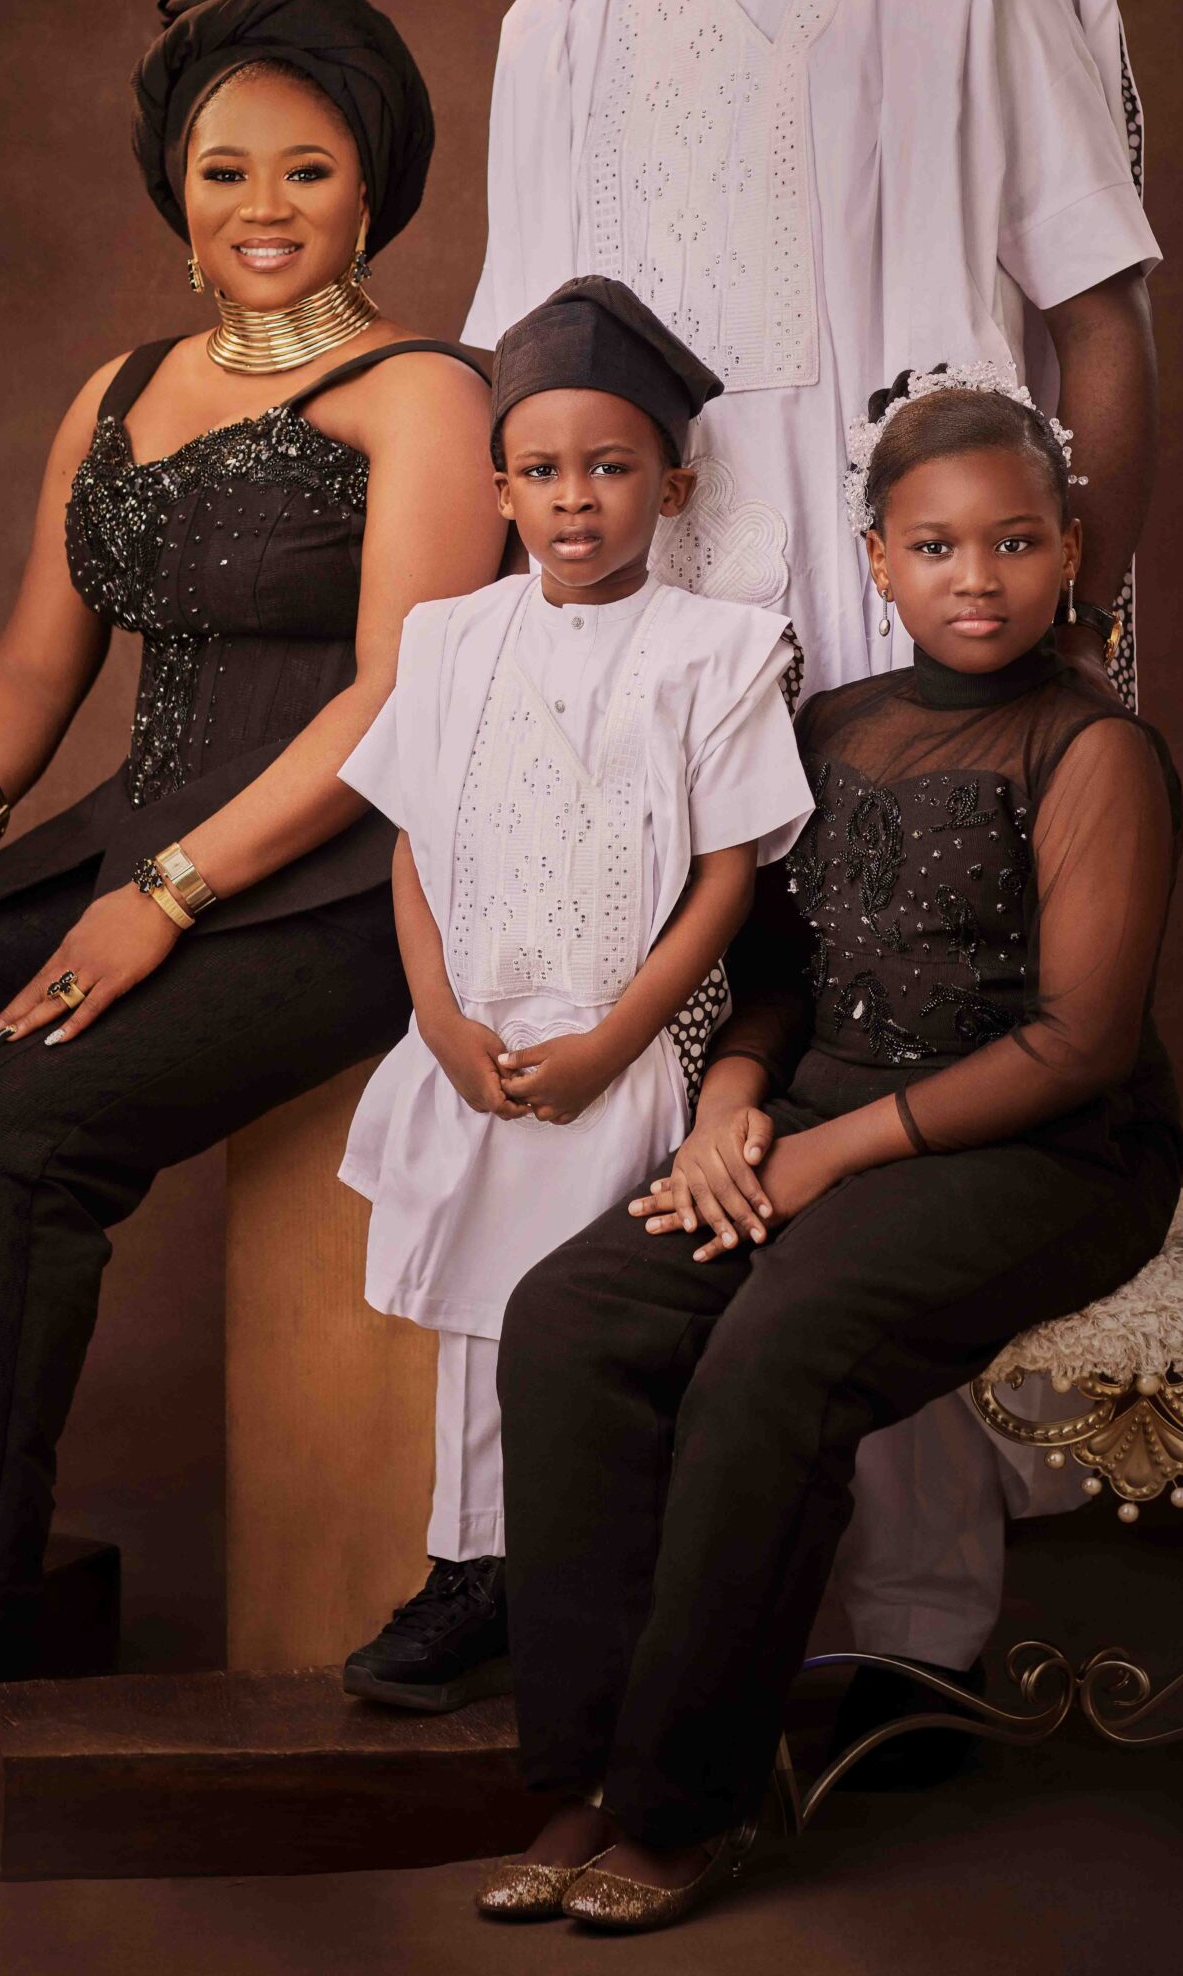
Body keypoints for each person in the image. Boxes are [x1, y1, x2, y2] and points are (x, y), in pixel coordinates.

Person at [462, 0, 1163, 1705]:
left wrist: (1068, 632)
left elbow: (1100, 321)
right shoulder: (565, 34)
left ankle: (906, 1626)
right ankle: (593, 1586)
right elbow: (521, 381)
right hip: (658, 614)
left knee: (900, 1048)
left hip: (908, 602)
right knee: (648, 1065)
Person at [0, 0, 504, 1833]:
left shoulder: (426, 394)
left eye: (308, 170)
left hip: (342, 879)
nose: (264, 208)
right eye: (223, 171)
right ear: (174, 193)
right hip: (131, 844)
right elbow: (39, 660)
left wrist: (166, 894)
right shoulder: (115, 392)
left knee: (12, 1130)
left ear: (374, 187)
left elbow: (400, 701)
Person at [483, 368, 1183, 1931]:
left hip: (1045, 1152)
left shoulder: (1093, 751)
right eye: (935, 547)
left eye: (1015, 542)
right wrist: (734, 1102)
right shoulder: (835, 726)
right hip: (819, 1114)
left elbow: (1080, 1045)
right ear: (878, 561)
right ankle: (587, 1771)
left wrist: (823, 1159)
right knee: (571, 1318)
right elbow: (779, 974)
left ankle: (688, 1806)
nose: (976, 578)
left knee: (776, 1352)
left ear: (1070, 550)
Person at [336, 279, 814, 1711]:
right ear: (499, 489)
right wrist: (437, 1017)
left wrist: (616, 1040)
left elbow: (727, 875)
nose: (575, 501)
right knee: (476, 1326)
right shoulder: (450, 640)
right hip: (478, 1041)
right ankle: (470, 1570)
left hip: (622, 1045)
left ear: (672, 485)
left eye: (610, 468)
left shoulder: (721, 653)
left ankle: (588, 1589)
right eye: (541, 472)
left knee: (587, 1323)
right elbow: (411, 840)